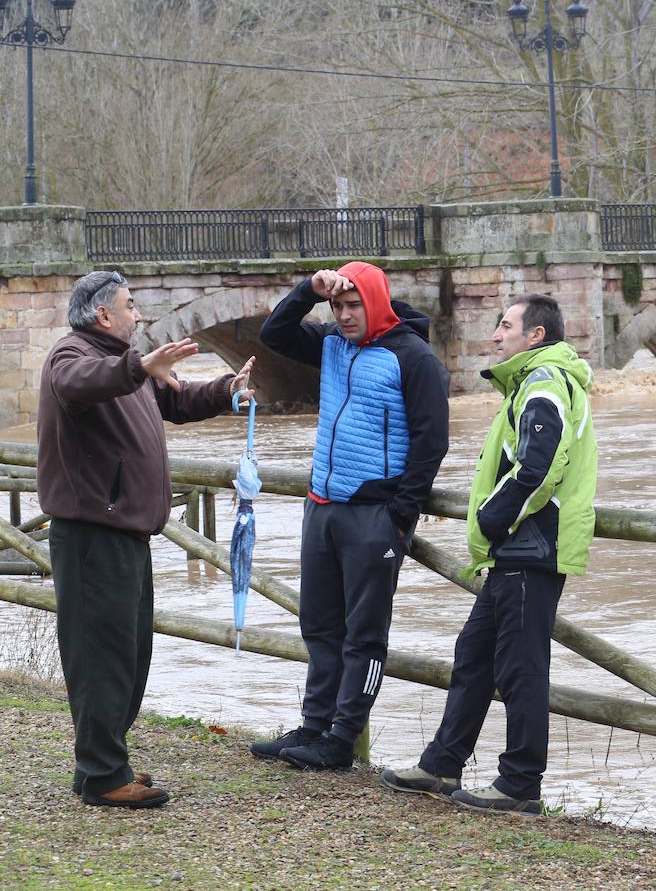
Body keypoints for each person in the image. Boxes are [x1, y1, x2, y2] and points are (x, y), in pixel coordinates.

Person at [37, 269, 254, 809]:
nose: (139, 315)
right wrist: (138, 365)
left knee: (129, 657)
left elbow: (177, 400)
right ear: (103, 315)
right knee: (101, 659)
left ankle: (99, 767)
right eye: (130, 306)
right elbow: (78, 385)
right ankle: (105, 775)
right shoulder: (72, 357)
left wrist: (229, 390)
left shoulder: (127, 369)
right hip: (93, 536)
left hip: (127, 535)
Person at [380, 293, 597, 814]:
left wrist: (489, 518)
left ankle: (520, 784)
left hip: (532, 546)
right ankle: (442, 763)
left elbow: (539, 466)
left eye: (506, 326)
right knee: (474, 656)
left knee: (521, 668)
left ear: (536, 335)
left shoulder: (543, 383)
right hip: (517, 549)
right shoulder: (530, 382)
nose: (496, 336)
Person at [252, 262, 449, 771]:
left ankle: (341, 738)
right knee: (319, 626)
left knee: (364, 633)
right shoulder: (331, 344)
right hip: (323, 507)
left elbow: (432, 442)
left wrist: (399, 517)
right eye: (337, 306)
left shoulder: (414, 357)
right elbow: (273, 333)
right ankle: (313, 726)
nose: (343, 315)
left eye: (352, 304)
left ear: (377, 301)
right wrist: (309, 291)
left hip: (374, 515)